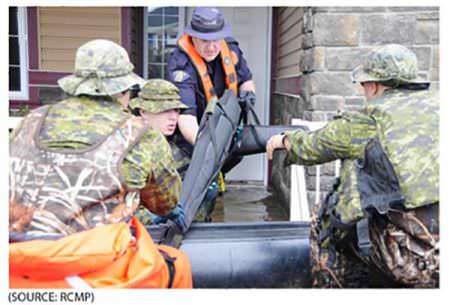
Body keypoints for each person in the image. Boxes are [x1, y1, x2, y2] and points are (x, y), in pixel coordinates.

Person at [9, 39, 192, 288]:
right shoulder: (140, 132)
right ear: (123, 90)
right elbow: (166, 203)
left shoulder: (30, 121)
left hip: (17, 255)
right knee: (178, 263)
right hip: (91, 263)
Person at [266, 44, 439, 288]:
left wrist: (283, 140)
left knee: (324, 221)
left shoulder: (369, 119)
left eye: (364, 84)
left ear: (374, 85)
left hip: (422, 259)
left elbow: (312, 145)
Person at [167, 7, 256, 158]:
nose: (211, 47)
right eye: (204, 41)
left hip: (224, 129)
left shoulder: (231, 50)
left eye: (215, 40)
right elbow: (186, 119)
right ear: (193, 37)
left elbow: (246, 80)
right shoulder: (181, 65)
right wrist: (210, 149)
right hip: (193, 139)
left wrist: (249, 95)